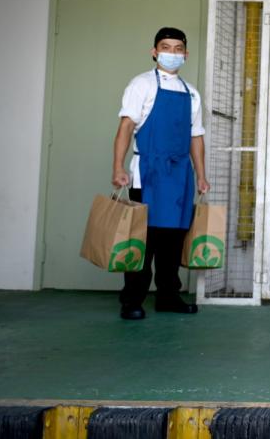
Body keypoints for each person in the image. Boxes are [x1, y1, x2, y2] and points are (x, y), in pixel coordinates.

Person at [112, 27, 210, 320]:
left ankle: (168, 296)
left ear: (186, 54)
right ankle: (132, 300)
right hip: (148, 173)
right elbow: (126, 128)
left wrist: (201, 175)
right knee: (143, 240)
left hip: (180, 175)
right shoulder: (141, 85)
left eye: (178, 48)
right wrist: (118, 167)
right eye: (166, 47)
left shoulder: (191, 93)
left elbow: (196, 137)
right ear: (154, 51)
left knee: (173, 239)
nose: (172, 53)